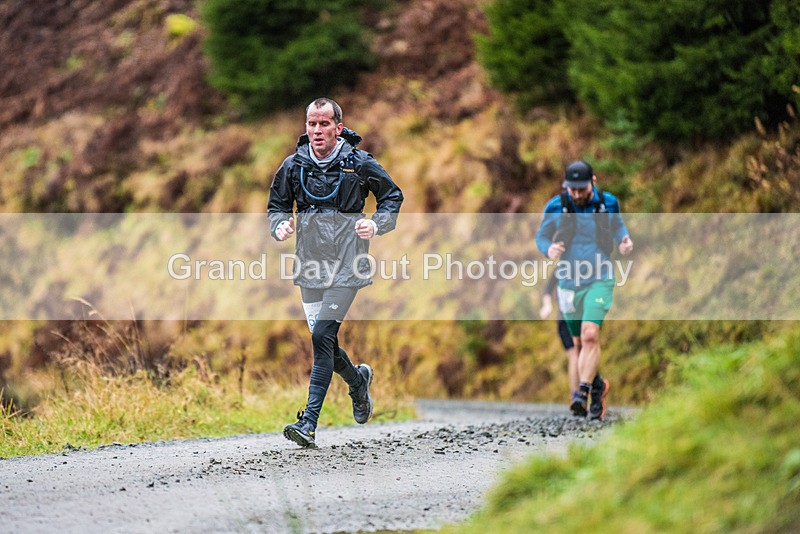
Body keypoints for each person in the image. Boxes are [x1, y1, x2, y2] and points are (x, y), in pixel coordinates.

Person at [268, 97, 403, 447]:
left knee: (321, 336)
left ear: (338, 128)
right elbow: (277, 206)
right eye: (311, 124)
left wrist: (377, 225)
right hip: (309, 262)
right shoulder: (293, 165)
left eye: (323, 124)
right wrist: (280, 224)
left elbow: (392, 196)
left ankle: (308, 423)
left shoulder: (359, 163)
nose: (316, 131)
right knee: (324, 340)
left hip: (348, 261)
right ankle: (357, 381)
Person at [535, 160, 633, 420]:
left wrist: (623, 240)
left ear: (594, 181)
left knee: (590, 334)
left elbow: (618, 227)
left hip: (599, 278)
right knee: (577, 344)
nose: (577, 195)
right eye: (572, 190)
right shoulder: (556, 206)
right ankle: (598, 386)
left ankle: (583, 391)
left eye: (582, 189)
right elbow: (541, 237)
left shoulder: (607, 203)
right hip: (567, 284)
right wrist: (549, 249)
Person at [539, 275, 609, 413]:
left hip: (583, 316)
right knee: (575, 354)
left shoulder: (587, 265)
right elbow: (548, 288)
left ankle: (585, 391)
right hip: (564, 318)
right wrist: (547, 305)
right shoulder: (562, 267)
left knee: (582, 352)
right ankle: (579, 395)